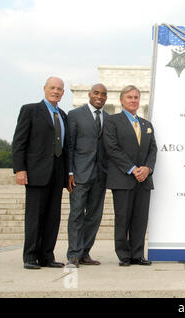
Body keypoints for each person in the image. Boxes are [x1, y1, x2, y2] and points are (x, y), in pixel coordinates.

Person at [12, 76, 69, 269]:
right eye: (52, 88)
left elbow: (66, 147)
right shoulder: (30, 110)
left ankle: (47, 256)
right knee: (35, 216)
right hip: (37, 172)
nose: (56, 91)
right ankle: (30, 256)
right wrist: (20, 169)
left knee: (53, 217)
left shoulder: (63, 115)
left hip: (57, 172)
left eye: (59, 89)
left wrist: (68, 174)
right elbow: (19, 142)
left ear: (63, 92)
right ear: (44, 89)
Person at [103, 85, 157, 266]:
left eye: (136, 97)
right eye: (129, 97)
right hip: (123, 178)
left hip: (144, 180)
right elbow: (112, 148)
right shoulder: (112, 121)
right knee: (123, 219)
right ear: (121, 100)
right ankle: (124, 255)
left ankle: (137, 254)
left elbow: (152, 150)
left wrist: (147, 168)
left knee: (140, 219)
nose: (133, 100)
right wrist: (133, 168)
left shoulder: (146, 125)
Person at [66, 83, 109, 268]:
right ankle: (74, 255)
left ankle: (85, 253)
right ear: (90, 94)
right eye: (96, 93)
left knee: (94, 216)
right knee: (76, 214)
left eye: (103, 94)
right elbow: (69, 145)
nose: (99, 96)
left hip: (100, 175)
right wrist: (69, 171)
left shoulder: (109, 118)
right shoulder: (75, 115)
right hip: (80, 174)